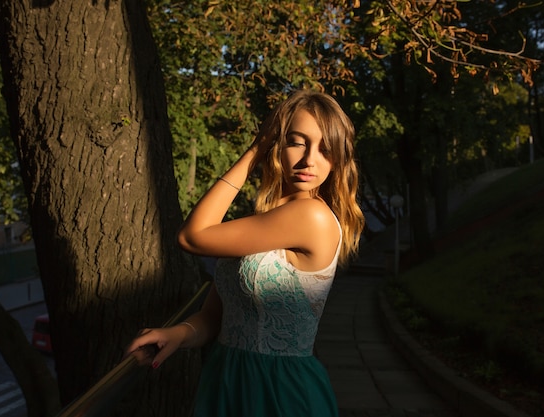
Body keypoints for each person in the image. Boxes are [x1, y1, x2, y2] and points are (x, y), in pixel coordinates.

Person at [126, 89, 365, 417]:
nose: (310, 159)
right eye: (297, 141)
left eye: (325, 149)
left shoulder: (311, 216)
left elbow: (192, 237)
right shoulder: (268, 220)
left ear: (338, 159)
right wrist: (178, 334)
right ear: (278, 144)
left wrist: (254, 151)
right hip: (227, 379)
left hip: (278, 391)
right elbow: (217, 317)